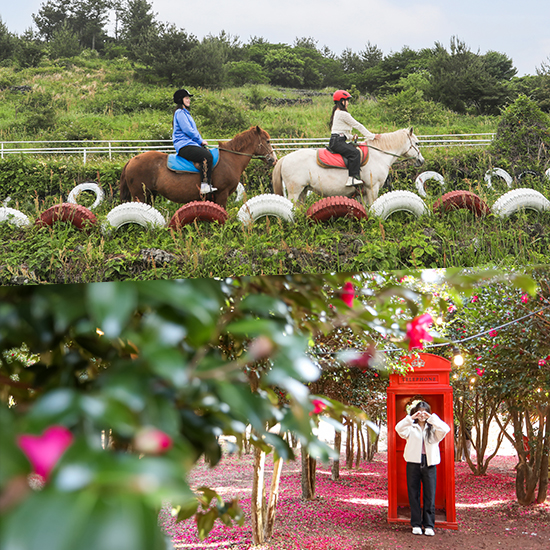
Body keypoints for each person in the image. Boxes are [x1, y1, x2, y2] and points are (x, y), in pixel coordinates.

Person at [395, 400, 450, 537]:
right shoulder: (410, 428)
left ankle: (429, 525)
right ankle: (416, 524)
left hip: (430, 463)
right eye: (419, 412)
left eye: (424, 412)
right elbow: (398, 428)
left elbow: (446, 429)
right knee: (413, 495)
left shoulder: (434, 429)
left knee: (429, 495)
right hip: (413, 463)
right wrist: (411, 418)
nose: (421, 415)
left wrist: (431, 418)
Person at [328, 90, 379, 187]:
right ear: (342, 101)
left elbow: (340, 131)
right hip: (338, 141)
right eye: (347, 101)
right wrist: (372, 136)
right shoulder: (343, 114)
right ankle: (352, 178)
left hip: (336, 140)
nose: (348, 103)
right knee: (355, 153)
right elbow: (358, 126)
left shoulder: (337, 112)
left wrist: (351, 137)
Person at [172, 88, 214, 191]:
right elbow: (188, 130)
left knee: (208, 153)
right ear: (180, 100)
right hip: (184, 145)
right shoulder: (180, 113)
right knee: (207, 156)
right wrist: (200, 141)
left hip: (190, 144)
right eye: (186, 98)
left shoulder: (186, 113)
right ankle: (204, 185)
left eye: (188, 98)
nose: (189, 100)